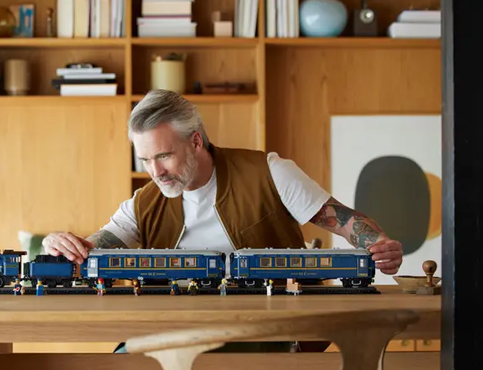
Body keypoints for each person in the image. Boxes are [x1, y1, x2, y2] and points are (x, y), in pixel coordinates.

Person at [41, 89, 403, 352]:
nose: (155, 172)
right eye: (145, 160)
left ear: (196, 141)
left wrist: (378, 245)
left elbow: (346, 222)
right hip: (177, 332)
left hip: (268, 332)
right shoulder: (143, 202)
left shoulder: (270, 172)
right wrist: (61, 245)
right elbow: (92, 249)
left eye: (164, 156)